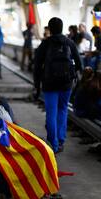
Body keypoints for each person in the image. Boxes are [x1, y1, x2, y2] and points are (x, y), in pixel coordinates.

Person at [34, 17, 82, 153]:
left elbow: (37, 66)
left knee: (51, 113)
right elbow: (79, 63)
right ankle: (61, 140)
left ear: (49, 29)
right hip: (66, 84)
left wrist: (37, 86)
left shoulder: (45, 44)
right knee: (62, 110)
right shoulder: (69, 42)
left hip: (49, 84)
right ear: (62, 28)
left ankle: (53, 144)